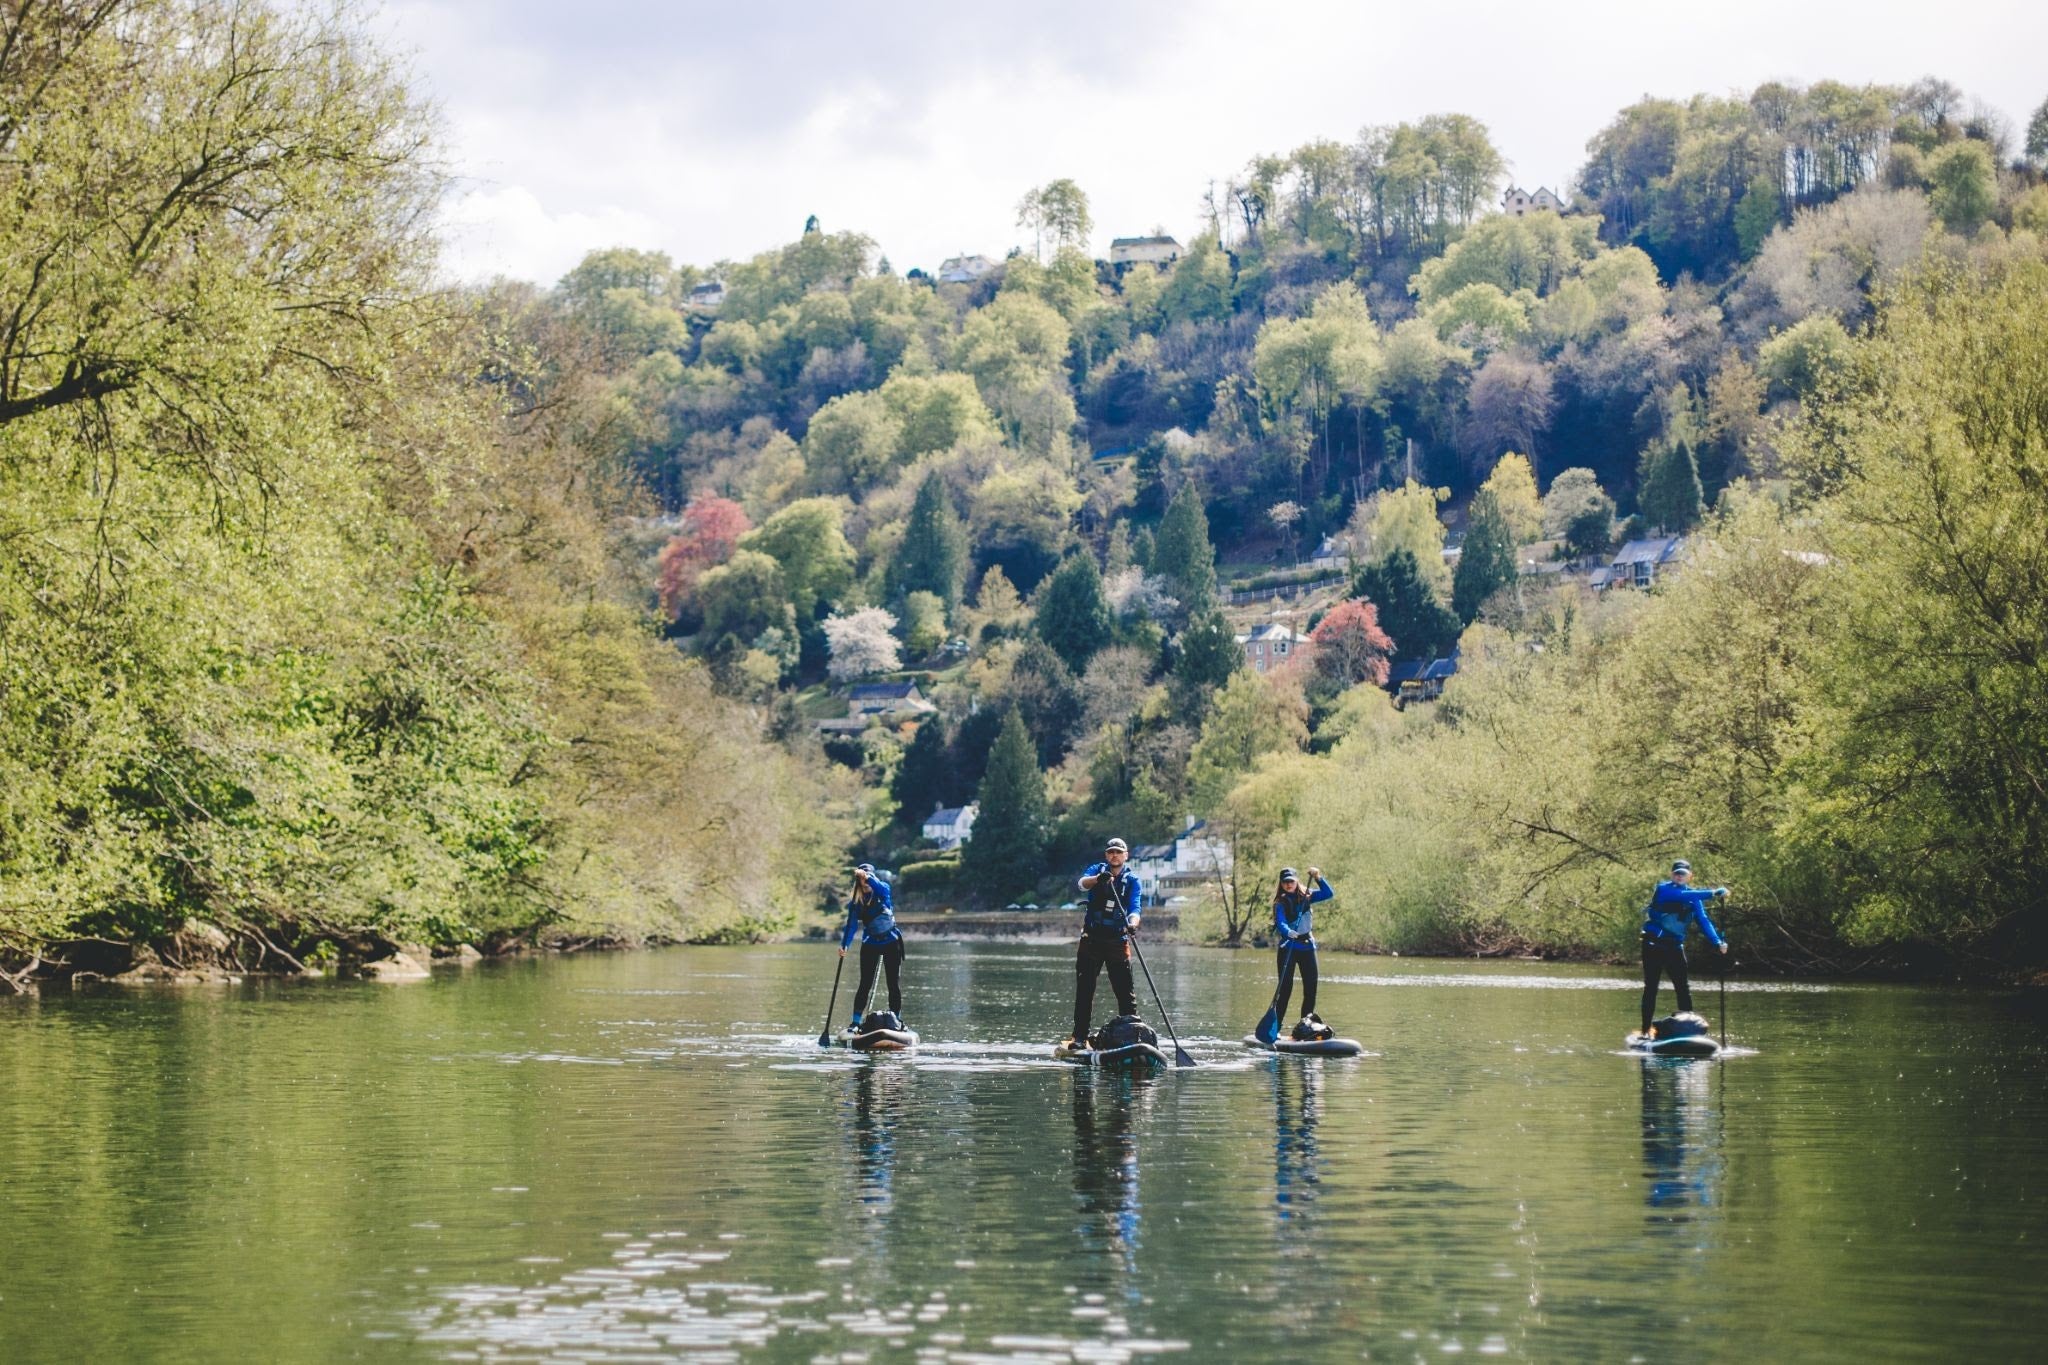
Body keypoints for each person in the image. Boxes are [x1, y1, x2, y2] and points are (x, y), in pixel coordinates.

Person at [1639, 859, 1728, 1036]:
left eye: (1683, 874)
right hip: (1653, 946)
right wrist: (1713, 893)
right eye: (1676, 873)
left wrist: (1717, 942)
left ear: (1689, 876)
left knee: (1683, 988)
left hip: (1674, 947)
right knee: (1651, 988)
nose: (1679, 876)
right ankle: (1645, 1030)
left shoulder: (1694, 897)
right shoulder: (1663, 890)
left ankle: (1689, 1029)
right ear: (1672, 875)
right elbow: (1682, 897)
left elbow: (1703, 921)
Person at [1071, 837, 1143, 1047]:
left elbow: (1135, 909)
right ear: (1106, 855)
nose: (1114, 855)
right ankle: (1079, 1037)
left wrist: (1132, 924)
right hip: (1091, 941)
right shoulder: (1097, 869)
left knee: (1126, 993)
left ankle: (1131, 1036)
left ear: (1125, 856)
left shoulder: (1132, 881)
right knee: (1085, 990)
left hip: (1117, 942)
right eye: (1111, 852)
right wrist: (1098, 879)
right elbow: (1082, 884)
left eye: (1118, 852)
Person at [840, 863, 904, 1030]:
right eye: (862, 880)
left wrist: (867, 876)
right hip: (870, 944)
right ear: (858, 883)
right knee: (864, 984)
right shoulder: (856, 903)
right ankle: (855, 1022)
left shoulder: (883, 890)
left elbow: (881, 889)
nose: (865, 882)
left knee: (893, 984)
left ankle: (896, 1019)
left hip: (891, 942)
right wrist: (844, 945)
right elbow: (851, 926)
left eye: (868, 878)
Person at [1272, 867, 1333, 1036]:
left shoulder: (1307, 896)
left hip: (1307, 947)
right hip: (1289, 948)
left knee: (1311, 989)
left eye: (1291, 881)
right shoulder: (1280, 903)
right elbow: (1281, 922)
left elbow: (1329, 894)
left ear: (1296, 881)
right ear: (1281, 883)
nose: (1288, 884)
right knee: (1285, 990)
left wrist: (1318, 878)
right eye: (1285, 882)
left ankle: (1305, 1027)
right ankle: (1275, 1028)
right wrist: (1287, 932)